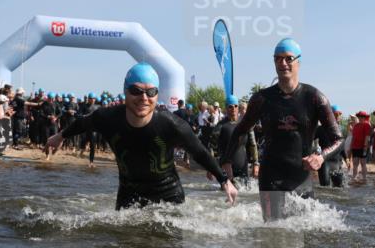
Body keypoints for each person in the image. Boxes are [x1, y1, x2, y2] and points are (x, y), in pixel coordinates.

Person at [46, 63, 237, 209]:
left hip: (168, 195)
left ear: (156, 95)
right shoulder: (107, 117)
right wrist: (60, 136)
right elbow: (82, 123)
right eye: (136, 91)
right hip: (129, 194)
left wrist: (224, 180)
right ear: (125, 91)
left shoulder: (172, 125)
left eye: (151, 92)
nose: (144, 98)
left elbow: (200, 152)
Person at [220, 39, 341, 221]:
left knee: (303, 236)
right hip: (271, 178)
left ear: (298, 62)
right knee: (272, 235)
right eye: (278, 59)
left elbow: (338, 139)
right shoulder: (261, 99)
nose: (283, 63)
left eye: (288, 58)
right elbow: (240, 131)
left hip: (301, 178)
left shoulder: (315, 98)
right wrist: (226, 161)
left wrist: (321, 157)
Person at [216, 95, 256, 187]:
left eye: (235, 106)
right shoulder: (220, 126)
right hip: (226, 167)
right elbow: (212, 147)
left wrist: (256, 163)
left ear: (238, 107)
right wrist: (211, 168)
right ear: (226, 108)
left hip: (243, 167)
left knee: (245, 196)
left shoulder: (245, 124)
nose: (233, 108)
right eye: (230, 106)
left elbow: (253, 145)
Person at [349, 111, 371, 183]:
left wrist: (365, 146)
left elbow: (367, 136)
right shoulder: (356, 126)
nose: (360, 118)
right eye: (359, 117)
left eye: (362, 117)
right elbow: (353, 137)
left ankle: (364, 178)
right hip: (355, 147)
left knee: (363, 163)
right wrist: (350, 146)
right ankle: (354, 177)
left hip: (363, 147)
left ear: (365, 118)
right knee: (355, 163)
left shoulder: (367, 125)